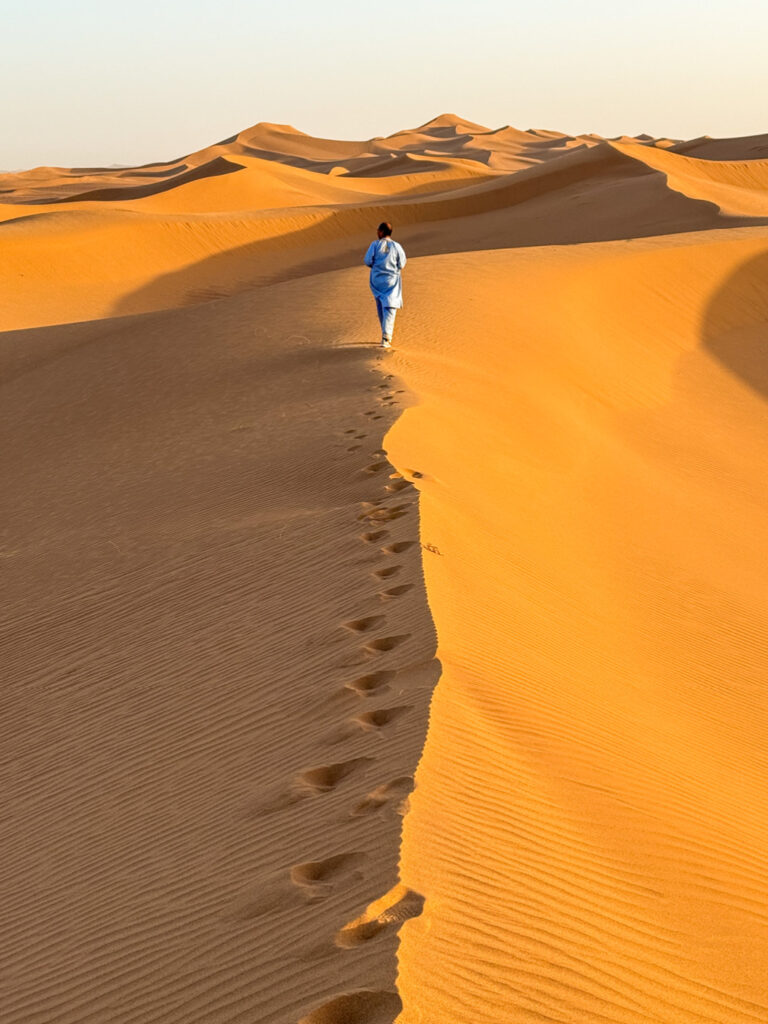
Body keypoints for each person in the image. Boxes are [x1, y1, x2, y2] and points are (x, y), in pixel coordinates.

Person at [364, 222, 407, 349]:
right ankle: (386, 337)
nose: (377, 232)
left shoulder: (375, 245)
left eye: (378, 230)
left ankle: (385, 333)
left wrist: (377, 267)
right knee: (389, 307)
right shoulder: (396, 246)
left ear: (382, 232)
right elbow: (402, 264)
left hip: (377, 281)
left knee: (380, 305)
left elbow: (367, 260)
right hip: (391, 281)